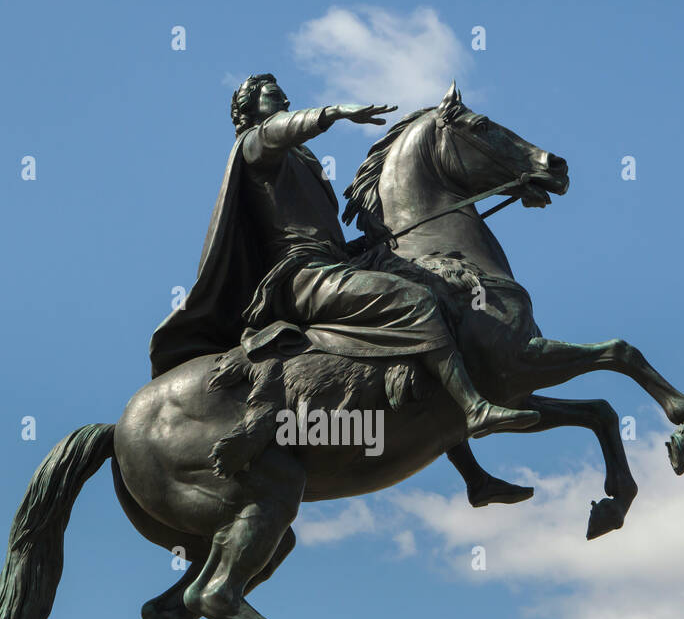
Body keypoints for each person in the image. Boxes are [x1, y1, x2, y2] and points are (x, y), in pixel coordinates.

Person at [150, 74, 535, 506]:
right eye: (274, 95)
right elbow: (279, 133)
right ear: (249, 109)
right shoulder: (256, 146)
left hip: (329, 263)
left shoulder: (302, 159)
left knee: (427, 313)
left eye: (283, 94)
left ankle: (475, 478)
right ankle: (476, 409)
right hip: (302, 277)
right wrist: (334, 113)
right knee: (415, 302)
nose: (285, 99)